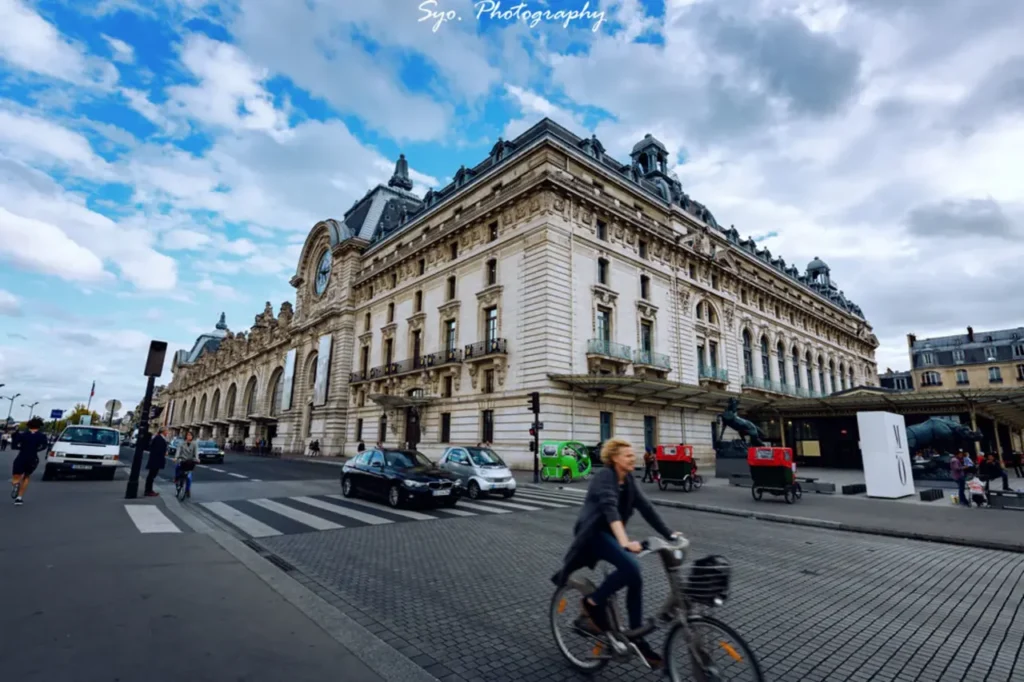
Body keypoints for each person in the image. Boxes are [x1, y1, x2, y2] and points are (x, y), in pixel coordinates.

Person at [551, 438, 682, 669]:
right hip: (592, 535)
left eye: (633, 454)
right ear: (614, 458)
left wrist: (670, 535)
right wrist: (624, 542)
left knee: (635, 578)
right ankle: (591, 603)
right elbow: (610, 508)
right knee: (631, 567)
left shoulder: (628, 479)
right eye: (628, 455)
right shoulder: (605, 477)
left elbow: (646, 508)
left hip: (609, 533)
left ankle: (636, 637)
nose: (633, 458)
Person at [11, 417, 47, 506]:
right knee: (26, 476)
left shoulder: (23, 435)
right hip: (33, 458)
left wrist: (20, 446)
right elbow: (44, 446)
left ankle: (16, 484)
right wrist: (36, 449)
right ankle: (19, 497)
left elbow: (14, 445)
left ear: (28, 426)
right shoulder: (42, 436)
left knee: (16, 475)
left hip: (22, 456)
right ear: (39, 427)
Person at [144, 427, 168, 497]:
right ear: (163, 432)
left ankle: (149, 490)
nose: (167, 432)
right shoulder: (159, 438)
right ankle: (148, 491)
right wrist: (164, 453)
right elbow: (157, 450)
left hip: (155, 460)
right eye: (166, 431)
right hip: (155, 460)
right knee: (151, 476)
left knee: (152, 476)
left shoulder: (159, 438)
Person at [174, 431, 198, 499]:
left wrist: (197, 459)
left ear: (192, 437)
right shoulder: (181, 443)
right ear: (186, 436)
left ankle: (187, 490)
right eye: (188, 435)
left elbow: (196, 452)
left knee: (189, 477)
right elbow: (178, 451)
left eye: (190, 435)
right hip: (182, 459)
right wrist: (176, 457)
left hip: (190, 461)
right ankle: (176, 478)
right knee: (177, 467)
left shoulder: (194, 444)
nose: (189, 436)